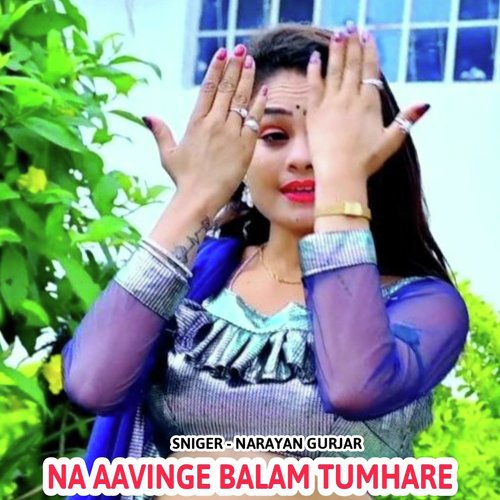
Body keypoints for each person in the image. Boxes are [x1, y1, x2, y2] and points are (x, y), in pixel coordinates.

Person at [62, 23, 469, 500]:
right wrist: (195, 198)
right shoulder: (196, 279)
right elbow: (92, 384)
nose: (303, 157)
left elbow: (354, 388)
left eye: (327, 137)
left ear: (376, 150)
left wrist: (342, 185)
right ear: (242, 153)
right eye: (274, 135)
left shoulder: (424, 306)